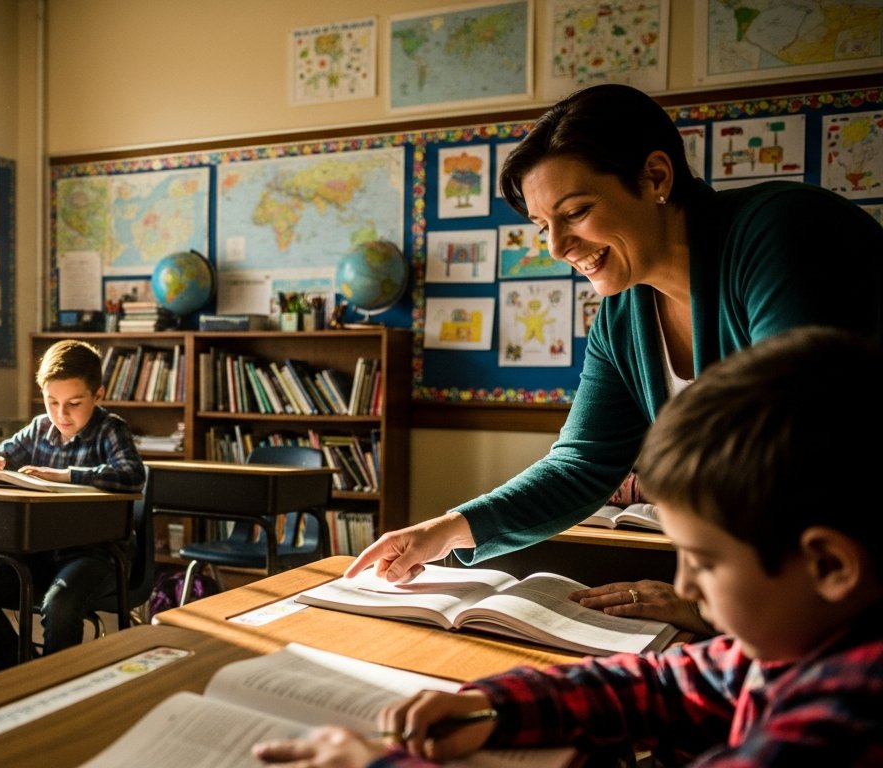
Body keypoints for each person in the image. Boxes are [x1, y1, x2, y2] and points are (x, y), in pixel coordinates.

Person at [348, 83, 883, 633]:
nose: (556, 247)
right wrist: (443, 531)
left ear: (656, 177)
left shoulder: (781, 232)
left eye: (576, 212)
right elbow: (581, 464)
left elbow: (798, 447)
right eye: (542, 227)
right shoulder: (622, 313)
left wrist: (705, 606)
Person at [254, 326, 883, 767]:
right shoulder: (785, 648)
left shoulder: (850, 710)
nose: (685, 588)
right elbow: (661, 684)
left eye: (705, 561)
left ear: (829, 565)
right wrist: (489, 706)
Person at [0, 339, 145, 670]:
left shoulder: (111, 430)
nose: (61, 414)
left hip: (97, 556)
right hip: (40, 551)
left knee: (60, 605)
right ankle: (21, 670)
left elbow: (132, 474)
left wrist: (65, 475)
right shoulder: (39, 428)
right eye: (51, 401)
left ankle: (55, 683)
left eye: (74, 403)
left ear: (98, 395)